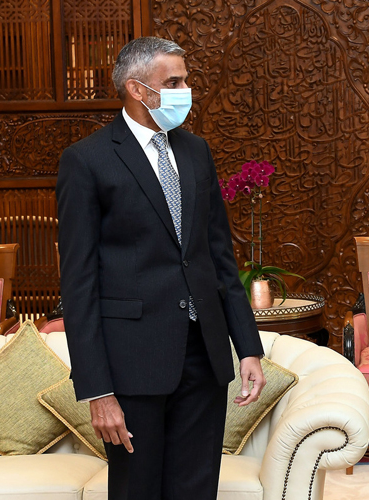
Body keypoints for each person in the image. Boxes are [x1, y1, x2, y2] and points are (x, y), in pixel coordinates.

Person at [57, 37, 266, 500]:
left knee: (196, 491)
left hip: (203, 356)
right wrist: (97, 390)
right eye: (173, 82)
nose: (184, 91)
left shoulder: (196, 151)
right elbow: (78, 284)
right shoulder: (86, 160)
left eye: (185, 81)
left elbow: (219, 257)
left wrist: (248, 348)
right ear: (137, 89)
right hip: (132, 363)